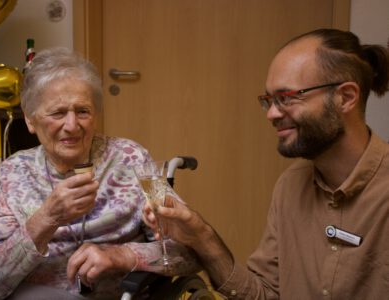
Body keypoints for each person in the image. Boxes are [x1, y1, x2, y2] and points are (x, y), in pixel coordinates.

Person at [144, 28, 389, 299]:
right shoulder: (291, 185)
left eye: (286, 98)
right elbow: (266, 294)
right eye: (269, 100)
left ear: (346, 97)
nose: (272, 113)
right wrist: (201, 237)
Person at [0, 47, 199, 300]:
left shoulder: (132, 157)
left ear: (95, 115)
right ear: (30, 121)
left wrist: (121, 256)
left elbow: (190, 250)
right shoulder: (14, 172)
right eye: (58, 113)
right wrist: (46, 218)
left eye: (83, 111)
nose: (72, 125)